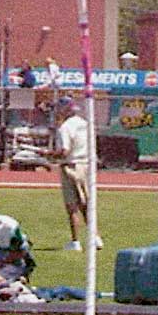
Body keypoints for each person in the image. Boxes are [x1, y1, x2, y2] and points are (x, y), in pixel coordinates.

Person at [51, 96, 103, 251]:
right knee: (86, 204)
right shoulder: (85, 124)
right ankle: (95, 237)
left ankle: (75, 242)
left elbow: (64, 151)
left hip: (71, 166)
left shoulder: (65, 127)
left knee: (72, 205)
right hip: (87, 165)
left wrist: (49, 154)